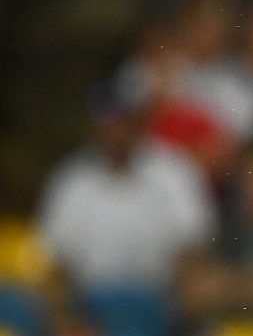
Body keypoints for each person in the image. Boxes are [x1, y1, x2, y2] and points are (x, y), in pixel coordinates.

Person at [37, 87, 214, 294]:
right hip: (88, 301)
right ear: (94, 127)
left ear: (139, 123)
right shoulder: (71, 180)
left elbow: (194, 244)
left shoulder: (173, 170)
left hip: (163, 298)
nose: (116, 131)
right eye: (108, 123)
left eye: (123, 121)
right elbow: (54, 259)